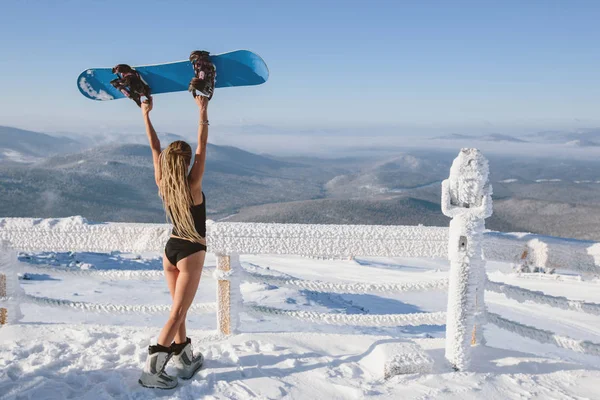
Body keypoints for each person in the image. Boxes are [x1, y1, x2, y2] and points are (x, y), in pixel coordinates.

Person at [138, 94, 210, 389]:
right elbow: (203, 144)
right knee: (178, 312)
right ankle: (151, 372)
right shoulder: (193, 184)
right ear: (189, 161)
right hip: (191, 251)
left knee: (179, 310)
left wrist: (146, 114)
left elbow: (155, 147)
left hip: (171, 251)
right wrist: (203, 109)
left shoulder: (163, 183)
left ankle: (184, 358)